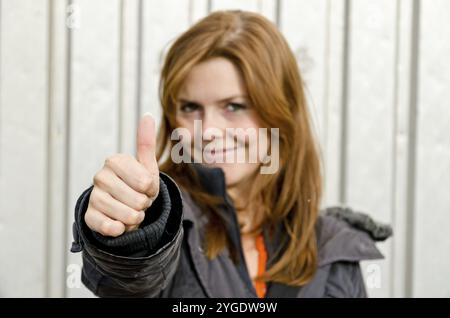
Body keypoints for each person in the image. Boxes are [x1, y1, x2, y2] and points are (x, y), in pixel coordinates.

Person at [71, 10, 392, 298]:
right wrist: (129, 234)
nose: (208, 130)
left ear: (282, 113)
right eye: (190, 107)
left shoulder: (334, 247)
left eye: (234, 106)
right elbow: (128, 279)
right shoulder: (163, 222)